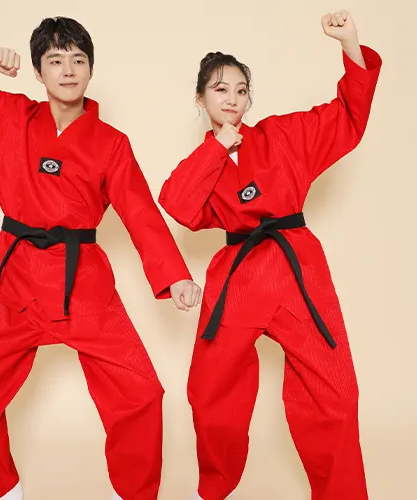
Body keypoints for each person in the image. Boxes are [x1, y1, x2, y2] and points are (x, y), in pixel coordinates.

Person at [0, 16, 201, 500]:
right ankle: (0, 489)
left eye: (78, 59)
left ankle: (135, 494)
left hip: (83, 286)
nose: (68, 70)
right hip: (18, 284)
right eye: (55, 60)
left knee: (142, 395)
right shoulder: (9, 116)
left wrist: (176, 276)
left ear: (91, 69)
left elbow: (140, 213)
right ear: (38, 71)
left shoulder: (111, 143)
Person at [159, 10, 382, 500]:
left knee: (335, 391)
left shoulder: (283, 136)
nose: (232, 99)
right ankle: (214, 489)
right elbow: (178, 204)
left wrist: (349, 42)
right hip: (237, 276)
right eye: (220, 89)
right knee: (208, 393)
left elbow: (348, 115)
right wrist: (217, 148)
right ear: (200, 98)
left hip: (296, 268)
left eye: (241, 90)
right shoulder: (205, 161)